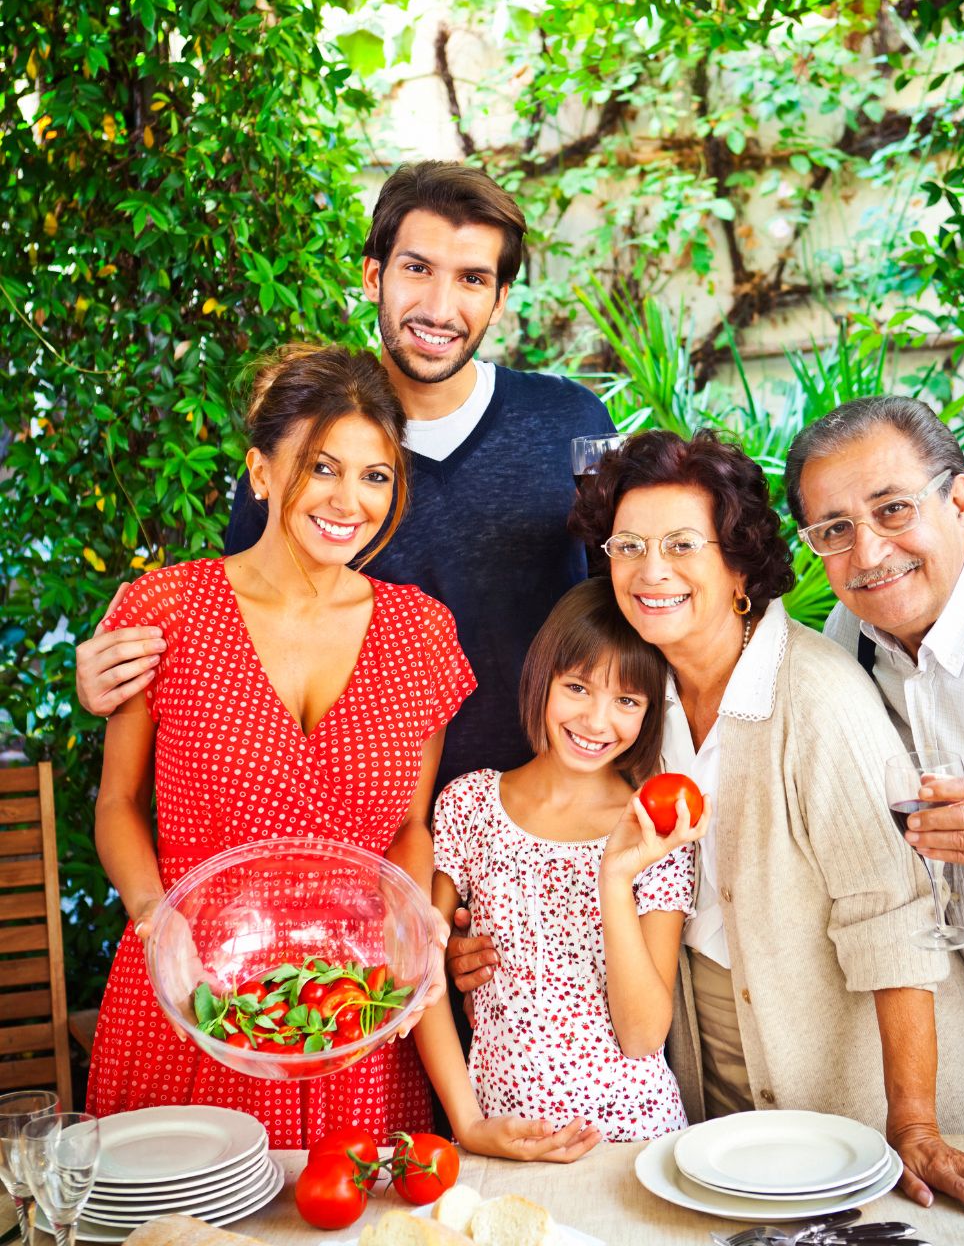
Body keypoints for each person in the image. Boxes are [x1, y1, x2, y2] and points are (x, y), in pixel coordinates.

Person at [453, 428, 964, 1222]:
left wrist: (915, 1125)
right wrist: (480, 937)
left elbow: (896, 922)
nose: (649, 571)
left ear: (738, 565)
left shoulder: (816, 698)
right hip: (706, 1066)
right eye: (628, 546)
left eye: (681, 545)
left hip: (858, 1077)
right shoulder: (634, 701)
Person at [74, 162, 614, 795]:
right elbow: (241, 637)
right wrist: (114, 678)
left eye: (472, 279)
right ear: (372, 276)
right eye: (417, 269)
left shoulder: (574, 421)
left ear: (498, 299)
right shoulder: (305, 437)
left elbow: (624, 604)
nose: (440, 308)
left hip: (538, 825)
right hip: (362, 835)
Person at [87, 344, 475, 1147]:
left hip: (353, 1018)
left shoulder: (421, 633)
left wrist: (410, 929)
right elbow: (117, 804)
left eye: (375, 475)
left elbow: (410, 828)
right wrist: (157, 918)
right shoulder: (167, 607)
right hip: (190, 1002)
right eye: (320, 467)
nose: (349, 500)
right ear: (261, 471)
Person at [785, 394, 964, 1133]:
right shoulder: (848, 638)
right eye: (835, 529)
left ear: (958, 498)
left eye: (892, 510)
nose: (870, 553)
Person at [414, 577, 708, 1161]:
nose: (597, 722)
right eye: (577, 687)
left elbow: (644, 1034)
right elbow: (418, 977)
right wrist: (467, 1124)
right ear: (541, 678)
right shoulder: (469, 805)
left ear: (652, 711)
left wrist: (615, 879)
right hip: (500, 1134)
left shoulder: (656, 826)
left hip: (635, 1141)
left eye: (627, 701)